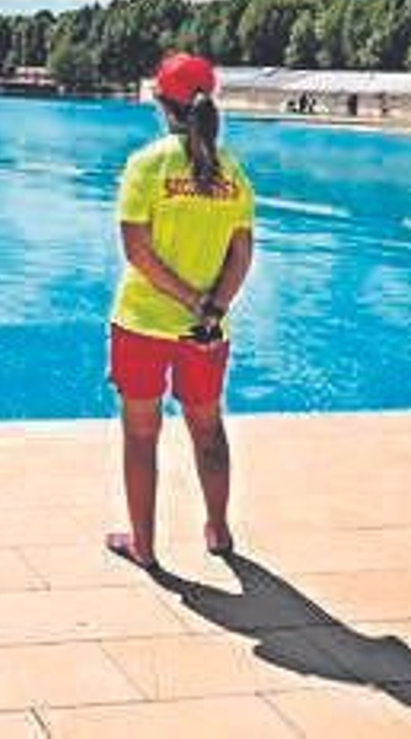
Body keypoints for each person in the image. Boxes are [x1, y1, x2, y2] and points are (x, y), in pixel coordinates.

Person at [106, 53, 255, 569]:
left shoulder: (147, 164)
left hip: (143, 322)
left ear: (160, 103)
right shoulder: (231, 171)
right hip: (206, 332)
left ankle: (143, 547)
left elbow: (137, 252)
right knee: (208, 429)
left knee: (141, 436)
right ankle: (218, 530)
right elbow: (242, 253)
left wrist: (191, 301)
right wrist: (212, 308)